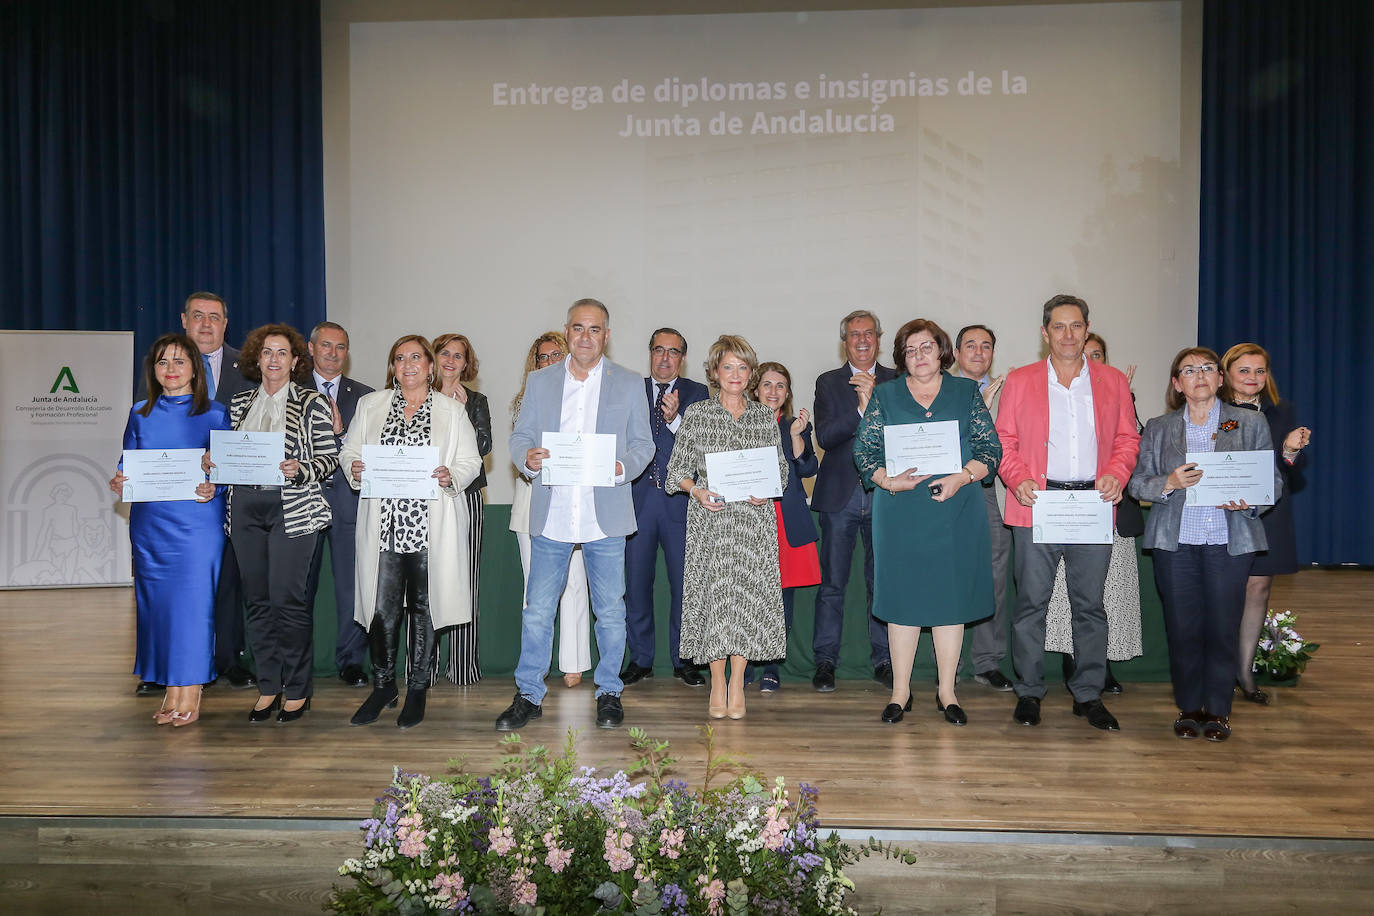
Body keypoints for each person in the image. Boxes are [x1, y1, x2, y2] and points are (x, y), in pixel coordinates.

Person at [497, 299, 654, 731]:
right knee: (537, 610)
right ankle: (528, 694)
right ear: (567, 331)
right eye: (579, 328)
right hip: (553, 511)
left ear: (607, 334)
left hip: (606, 512)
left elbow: (644, 445)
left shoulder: (629, 383)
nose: (586, 337)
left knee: (611, 611)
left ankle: (609, 692)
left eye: (595, 329)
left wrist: (621, 468)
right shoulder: (541, 380)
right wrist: (527, 458)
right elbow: (521, 437)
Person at [995, 294, 1140, 731]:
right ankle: (1029, 693)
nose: (1068, 335)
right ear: (1045, 333)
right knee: (1031, 606)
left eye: (1076, 326)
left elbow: (1127, 439)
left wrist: (1118, 473)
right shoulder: (1020, 381)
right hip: (1038, 504)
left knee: (1090, 607)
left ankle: (1088, 694)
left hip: (1092, 506)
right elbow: (1004, 440)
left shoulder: (1112, 380)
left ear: (1087, 329)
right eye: (1058, 326)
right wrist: (1017, 477)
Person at [1128, 347, 1281, 741]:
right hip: (1175, 542)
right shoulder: (1160, 428)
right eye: (1189, 370)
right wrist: (1169, 483)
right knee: (1183, 627)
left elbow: (1272, 481)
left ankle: (1218, 710)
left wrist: (1251, 500)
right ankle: (1189, 706)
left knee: (1222, 625)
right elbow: (1137, 482)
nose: (1200, 375)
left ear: (1220, 378)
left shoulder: (1248, 423)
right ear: (1177, 384)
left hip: (1229, 540)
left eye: (1208, 368)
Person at [854, 320, 1001, 726]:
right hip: (900, 511)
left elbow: (990, 448)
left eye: (926, 348)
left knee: (949, 602)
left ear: (941, 352)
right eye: (911, 350)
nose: (919, 356)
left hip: (955, 510)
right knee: (902, 600)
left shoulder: (966, 392)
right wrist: (887, 480)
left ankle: (947, 692)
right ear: (902, 357)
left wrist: (961, 477)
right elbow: (864, 451)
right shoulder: (885, 395)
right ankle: (901, 692)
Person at [342, 334, 482, 729]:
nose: (408, 365)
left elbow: (471, 461)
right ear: (392, 366)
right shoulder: (371, 406)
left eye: (416, 358)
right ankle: (384, 685)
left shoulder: (451, 412)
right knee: (381, 612)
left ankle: (418, 687)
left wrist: (450, 474)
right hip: (384, 526)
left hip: (430, 527)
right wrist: (355, 467)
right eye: (399, 358)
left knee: (425, 608)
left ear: (430, 366)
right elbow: (350, 451)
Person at [216, 324, 339, 724]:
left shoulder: (310, 403)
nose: (273, 359)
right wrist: (212, 462)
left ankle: (298, 691)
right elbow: (227, 454)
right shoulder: (237, 403)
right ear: (256, 358)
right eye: (267, 352)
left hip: (293, 508)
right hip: (246, 507)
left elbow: (328, 458)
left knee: (288, 602)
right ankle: (268, 686)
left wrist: (301, 468)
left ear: (295, 361)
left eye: (282, 353)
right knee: (257, 603)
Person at [134, 292, 255, 696]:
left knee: (220, 591)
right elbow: (133, 457)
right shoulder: (143, 405)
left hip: (210, 512)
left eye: (215, 317)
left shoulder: (247, 371)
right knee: (160, 596)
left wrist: (216, 480)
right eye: (198, 316)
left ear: (226, 324)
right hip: (156, 516)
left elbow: (234, 455)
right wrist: (123, 478)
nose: (206, 324)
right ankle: (160, 671)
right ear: (184, 320)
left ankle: (226, 662)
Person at [666, 335, 788, 720]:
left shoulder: (763, 416)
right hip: (712, 522)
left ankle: (738, 683)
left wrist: (766, 490)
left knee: (746, 603)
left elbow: (781, 469)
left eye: (742, 367)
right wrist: (697, 490)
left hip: (753, 524)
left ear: (750, 374)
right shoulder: (698, 414)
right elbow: (676, 472)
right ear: (715, 373)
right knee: (716, 602)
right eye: (728, 367)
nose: (735, 374)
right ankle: (717, 682)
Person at [110, 333, 228, 726]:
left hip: (196, 522)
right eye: (163, 362)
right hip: (150, 526)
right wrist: (120, 480)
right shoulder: (139, 412)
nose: (171, 369)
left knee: (193, 607)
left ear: (196, 367)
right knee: (157, 607)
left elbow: (226, 470)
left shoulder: (215, 413)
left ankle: (190, 688)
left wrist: (217, 483)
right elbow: (126, 462)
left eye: (179, 361)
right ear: (153, 370)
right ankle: (169, 687)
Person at [1045, 332, 1145, 694]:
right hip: (1063, 510)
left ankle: (1099, 666)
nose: (1090, 360)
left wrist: (1126, 402)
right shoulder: (1053, 396)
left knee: (1106, 596)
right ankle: (1074, 665)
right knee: (1064, 594)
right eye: (1086, 355)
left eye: (1098, 354)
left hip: (1109, 514)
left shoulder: (1119, 395)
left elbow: (1135, 449)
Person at [810, 310, 897, 692]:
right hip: (839, 496)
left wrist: (877, 398)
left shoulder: (897, 380)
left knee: (882, 583)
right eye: (854, 335)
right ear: (844, 341)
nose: (862, 340)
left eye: (868, 334)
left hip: (886, 494)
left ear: (878, 338)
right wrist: (862, 408)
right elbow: (827, 436)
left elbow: (906, 434)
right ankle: (825, 660)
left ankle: (884, 658)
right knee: (832, 584)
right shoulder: (828, 382)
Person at [1221, 343, 1312, 704]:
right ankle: (1218, 671)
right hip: (1221, 512)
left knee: (1257, 590)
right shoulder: (1212, 409)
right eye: (1244, 371)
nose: (1253, 378)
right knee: (1223, 592)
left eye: (1260, 371)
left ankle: (1244, 672)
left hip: (1269, 513)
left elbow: (1293, 470)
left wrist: (1290, 452)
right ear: (1227, 373)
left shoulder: (1281, 410)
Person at [623, 328, 710, 688]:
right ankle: (640, 659)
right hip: (637, 501)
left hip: (682, 503)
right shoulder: (630, 390)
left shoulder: (699, 394)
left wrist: (677, 421)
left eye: (673, 352)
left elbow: (704, 448)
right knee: (636, 584)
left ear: (682, 358)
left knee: (685, 586)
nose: (664, 358)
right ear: (649, 353)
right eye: (658, 350)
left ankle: (684, 658)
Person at [509, 332, 593, 688]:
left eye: (555, 354)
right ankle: (535, 668)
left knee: (575, 583)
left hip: (577, 502)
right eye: (541, 357)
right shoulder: (525, 400)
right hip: (534, 502)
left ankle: (574, 663)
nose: (549, 361)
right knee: (537, 590)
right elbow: (520, 450)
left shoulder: (588, 397)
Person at [303, 321, 374, 689]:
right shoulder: (290, 391)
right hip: (302, 501)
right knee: (299, 586)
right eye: (326, 346)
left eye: (341, 347)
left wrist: (341, 431)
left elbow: (370, 452)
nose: (333, 353)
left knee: (352, 587)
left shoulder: (366, 396)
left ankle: (350, 661)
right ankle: (297, 663)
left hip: (350, 501)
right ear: (311, 349)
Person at [747, 361, 821, 692]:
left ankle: (772, 664)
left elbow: (808, 468)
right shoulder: (738, 424)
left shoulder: (794, 425)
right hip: (746, 520)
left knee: (780, 597)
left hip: (783, 519)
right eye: (767, 384)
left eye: (780, 386)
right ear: (755, 389)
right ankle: (745, 661)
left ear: (788, 393)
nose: (773, 391)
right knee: (747, 594)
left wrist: (796, 438)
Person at [951, 324, 1014, 692]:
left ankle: (987, 661)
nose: (978, 352)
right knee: (954, 574)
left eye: (986, 346)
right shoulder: (942, 390)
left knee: (994, 576)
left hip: (994, 490)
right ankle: (951, 661)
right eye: (970, 346)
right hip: (953, 490)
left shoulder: (1009, 391)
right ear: (957, 353)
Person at [432, 332, 493, 686]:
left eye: (459, 356)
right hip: (423, 498)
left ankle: (463, 666)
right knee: (426, 581)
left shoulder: (477, 401)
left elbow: (483, 446)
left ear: (467, 364)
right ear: (433, 357)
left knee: (465, 580)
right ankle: (422, 666)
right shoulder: (417, 396)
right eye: (445, 353)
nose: (452, 361)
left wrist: (461, 409)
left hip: (467, 495)